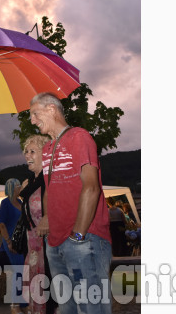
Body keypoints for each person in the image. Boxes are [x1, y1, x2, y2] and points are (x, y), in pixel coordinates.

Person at [30, 92, 112, 314]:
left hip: (84, 238)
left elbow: (91, 187)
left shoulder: (79, 136)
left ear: (51, 109)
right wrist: (48, 223)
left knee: (91, 307)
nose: (32, 121)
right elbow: (50, 190)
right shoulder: (47, 149)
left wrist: (78, 235)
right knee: (67, 307)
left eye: (35, 114)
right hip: (55, 243)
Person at [19, 134, 57, 314]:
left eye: (32, 151)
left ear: (46, 154)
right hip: (33, 249)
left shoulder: (51, 179)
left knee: (49, 298)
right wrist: (18, 194)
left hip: (49, 249)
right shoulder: (32, 182)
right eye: (26, 151)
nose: (27, 155)